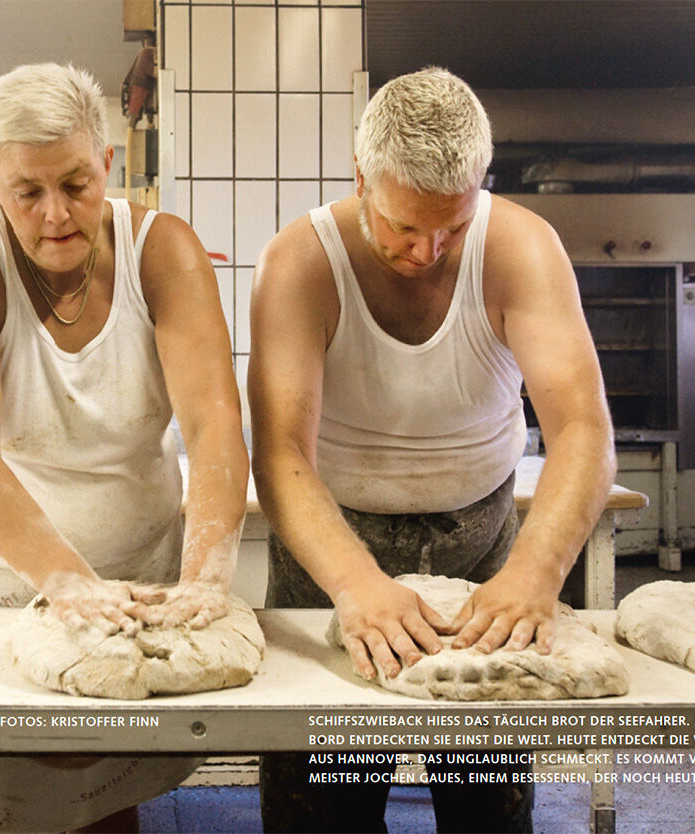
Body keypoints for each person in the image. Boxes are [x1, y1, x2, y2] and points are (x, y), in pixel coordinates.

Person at [248, 67, 616, 832]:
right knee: (326, 807)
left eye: (452, 224)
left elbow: (583, 429)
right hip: (332, 545)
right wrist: (354, 582)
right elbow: (280, 453)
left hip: (483, 542)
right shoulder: (301, 261)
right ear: (360, 178)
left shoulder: (522, 248)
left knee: (487, 807)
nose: (429, 249)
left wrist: (537, 573)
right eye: (404, 227)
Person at [0, 62, 248, 832]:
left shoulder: (162, 250)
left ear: (107, 163)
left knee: (103, 805)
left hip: (139, 586)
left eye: (75, 184)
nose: (55, 214)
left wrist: (205, 578)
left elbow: (213, 425)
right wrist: (64, 582)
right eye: (27, 192)